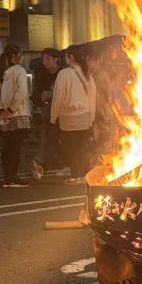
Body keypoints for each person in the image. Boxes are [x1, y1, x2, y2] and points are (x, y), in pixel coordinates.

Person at [50, 46, 97, 184]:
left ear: (70, 57)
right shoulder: (87, 75)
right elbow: (92, 98)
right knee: (81, 148)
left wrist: (53, 117)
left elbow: (58, 96)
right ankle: (84, 175)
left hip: (68, 118)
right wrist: (91, 118)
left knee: (70, 148)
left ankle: (75, 174)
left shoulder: (64, 74)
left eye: (66, 56)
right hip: (84, 117)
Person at [0, 43, 31, 188]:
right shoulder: (19, 70)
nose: (22, 58)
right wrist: (11, 108)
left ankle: (7, 177)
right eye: (21, 55)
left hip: (4, 117)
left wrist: (1, 110)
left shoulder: (1, 74)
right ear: (15, 57)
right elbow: (22, 92)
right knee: (15, 148)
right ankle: (13, 177)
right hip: (18, 114)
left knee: (7, 147)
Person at [31, 47, 64, 179]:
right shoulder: (42, 73)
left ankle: (47, 162)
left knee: (58, 137)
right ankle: (41, 162)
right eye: (43, 59)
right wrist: (43, 99)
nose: (45, 62)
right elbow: (38, 92)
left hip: (62, 110)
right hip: (47, 109)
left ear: (56, 59)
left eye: (48, 59)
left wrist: (50, 93)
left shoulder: (62, 73)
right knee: (47, 135)